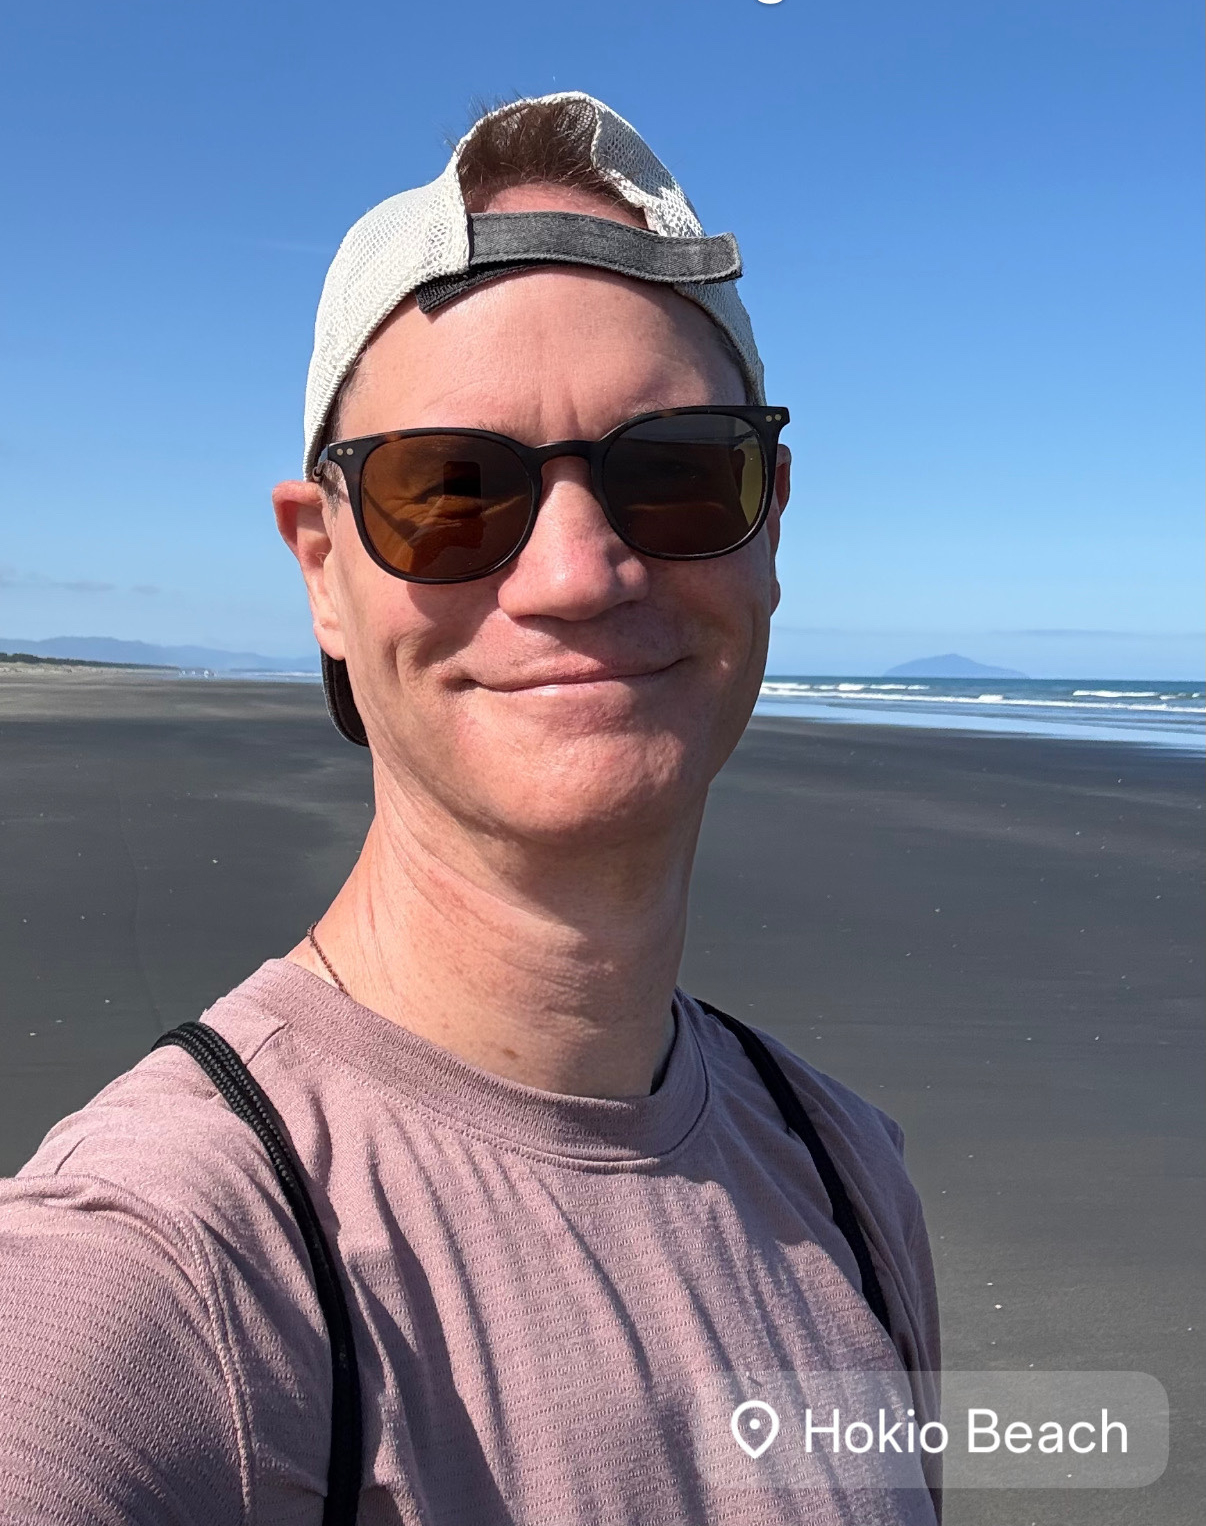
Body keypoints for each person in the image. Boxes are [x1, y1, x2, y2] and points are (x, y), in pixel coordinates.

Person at [0, 94, 940, 1523]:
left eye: (677, 474)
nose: (575, 573)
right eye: (447, 490)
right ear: (321, 568)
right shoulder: (170, 1261)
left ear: (768, 523)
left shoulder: (845, 1171)